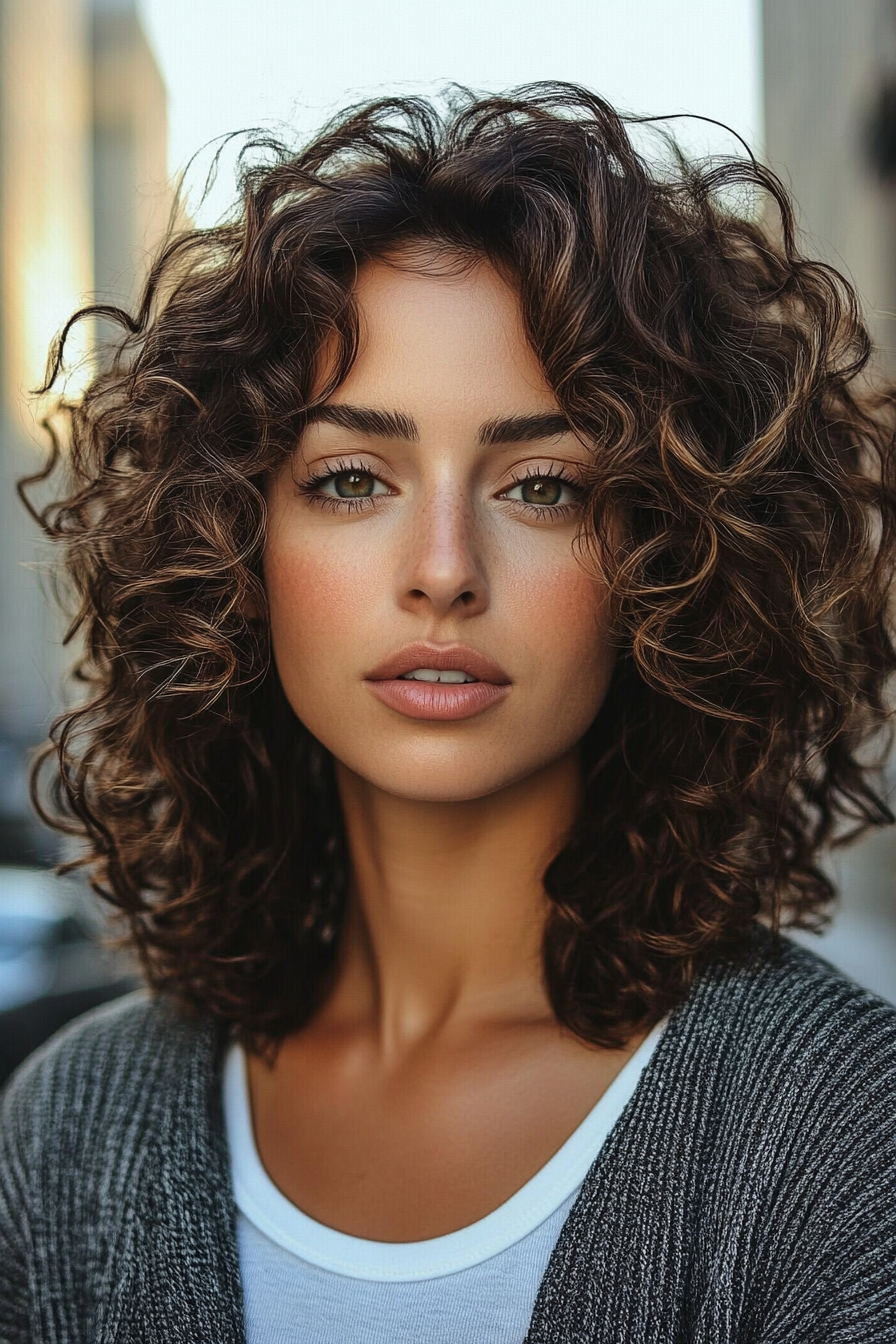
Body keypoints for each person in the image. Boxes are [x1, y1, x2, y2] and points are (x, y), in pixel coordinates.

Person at [1, 83, 895, 1343]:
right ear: (232, 547)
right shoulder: (70, 1130)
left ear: (675, 553)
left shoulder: (840, 1131)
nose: (441, 568)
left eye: (541, 485)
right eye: (351, 478)